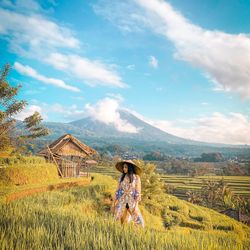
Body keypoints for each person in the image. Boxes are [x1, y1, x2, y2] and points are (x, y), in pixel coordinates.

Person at [111, 159, 144, 228]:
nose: (124, 169)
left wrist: (136, 205)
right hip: (122, 201)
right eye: (123, 167)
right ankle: (122, 234)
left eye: (125, 167)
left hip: (132, 202)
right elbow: (118, 191)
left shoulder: (136, 178)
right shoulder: (121, 177)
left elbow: (138, 192)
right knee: (121, 221)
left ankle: (138, 235)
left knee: (139, 221)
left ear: (130, 168)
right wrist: (113, 203)